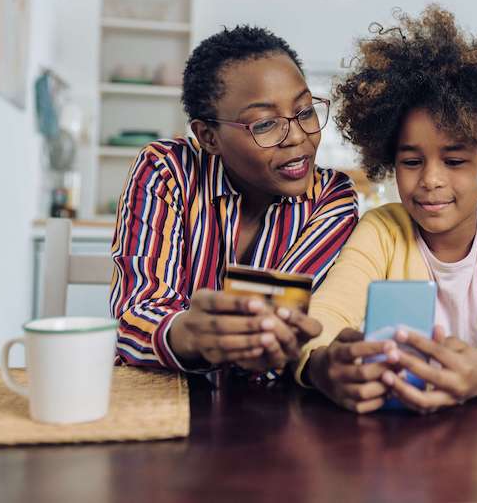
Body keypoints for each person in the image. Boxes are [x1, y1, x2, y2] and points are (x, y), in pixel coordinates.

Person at [298, 6, 477, 413]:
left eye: (455, 162)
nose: (431, 180)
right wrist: (321, 363)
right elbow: (328, 314)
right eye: (411, 162)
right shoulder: (382, 229)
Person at [109, 25, 358, 372]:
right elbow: (134, 317)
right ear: (209, 137)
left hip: (264, 412)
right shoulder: (167, 171)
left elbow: (279, 328)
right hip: (158, 399)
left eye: (304, 112)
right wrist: (188, 335)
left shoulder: (331, 198)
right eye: (265, 124)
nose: (298, 137)